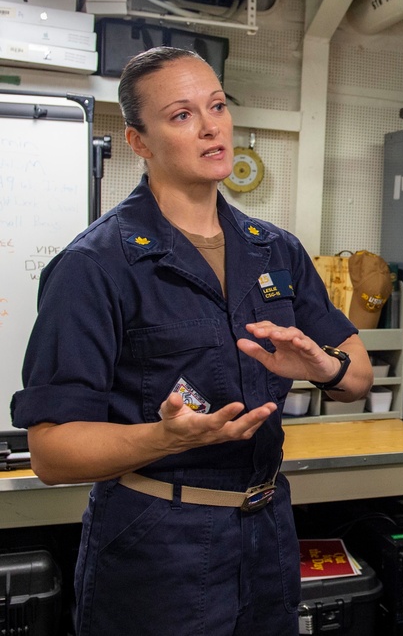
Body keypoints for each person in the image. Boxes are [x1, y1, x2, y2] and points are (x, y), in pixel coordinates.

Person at [10, 46, 373, 635]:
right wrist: (164, 437)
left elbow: (358, 375)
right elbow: (52, 453)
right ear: (139, 142)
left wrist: (320, 365)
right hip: (158, 541)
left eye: (218, 106)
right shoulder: (94, 266)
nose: (211, 127)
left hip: (267, 529)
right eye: (182, 116)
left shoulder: (274, 247)